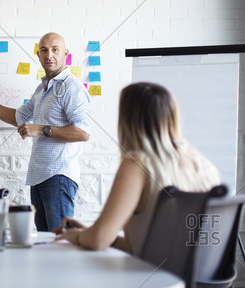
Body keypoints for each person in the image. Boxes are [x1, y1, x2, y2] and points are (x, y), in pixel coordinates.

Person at [54, 82, 220, 256]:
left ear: (128, 120)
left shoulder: (136, 165)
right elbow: (156, 248)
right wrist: (91, 233)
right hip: (187, 280)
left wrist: (75, 237)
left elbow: (97, 242)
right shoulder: (204, 165)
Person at [0, 32, 90, 231]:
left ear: (65, 53)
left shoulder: (71, 88)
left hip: (58, 176)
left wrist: (41, 129)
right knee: (45, 243)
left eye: (55, 50)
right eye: (44, 50)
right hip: (39, 178)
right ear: (38, 55)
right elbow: (18, 117)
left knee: (59, 243)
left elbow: (83, 132)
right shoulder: (42, 90)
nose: (49, 55)